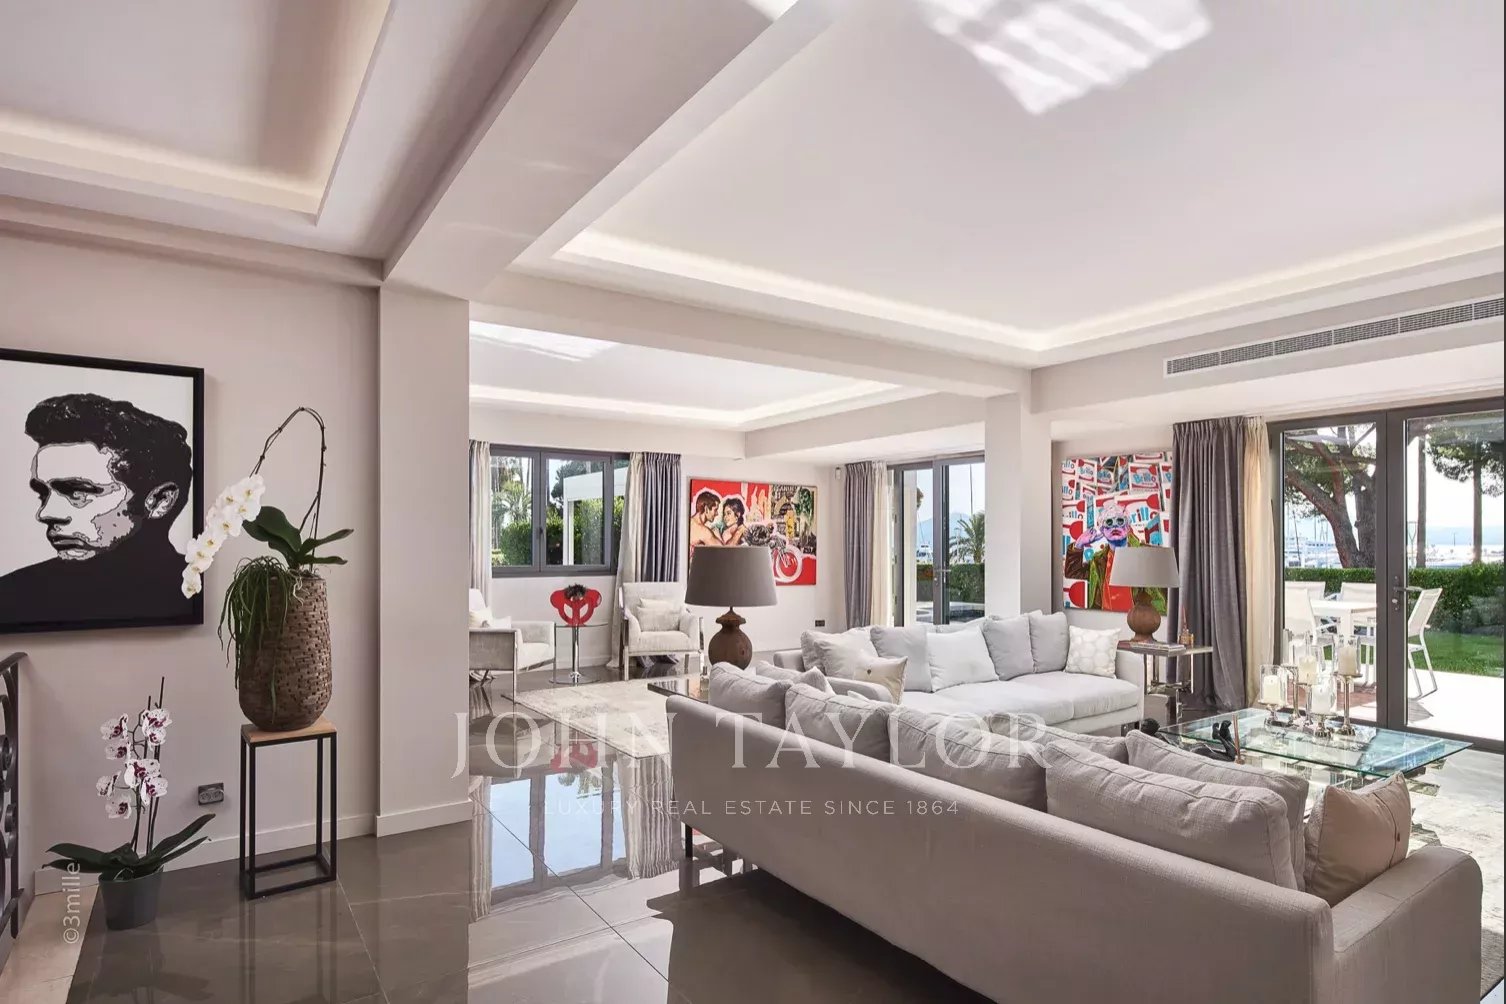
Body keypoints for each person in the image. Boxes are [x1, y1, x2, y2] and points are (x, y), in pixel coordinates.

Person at [0, 393, 193, 628]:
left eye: (77, 492)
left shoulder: (197, 592)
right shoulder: (13, 595)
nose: (45, 513)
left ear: (159, 501)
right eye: (43, 493)